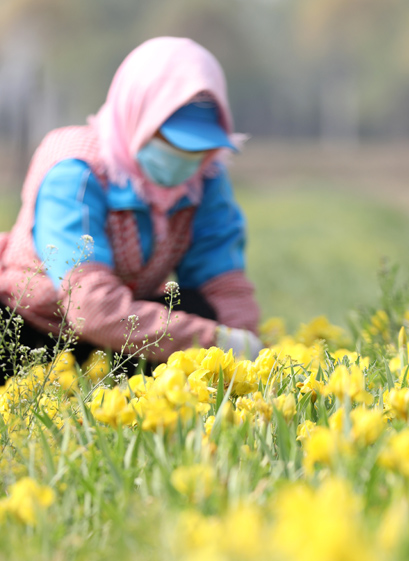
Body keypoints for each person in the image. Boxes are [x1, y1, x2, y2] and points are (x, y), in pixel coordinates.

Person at [0, 37, 262, 368]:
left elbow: (222, 283)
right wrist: (212, 342)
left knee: (200, 308)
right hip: (29, 322)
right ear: (137, 116)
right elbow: (88, 307)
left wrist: (247, 351)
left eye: (199, 148)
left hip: (121, 322)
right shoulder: (77, 170)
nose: (186, 158)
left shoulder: (203, 178)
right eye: (172, 140)